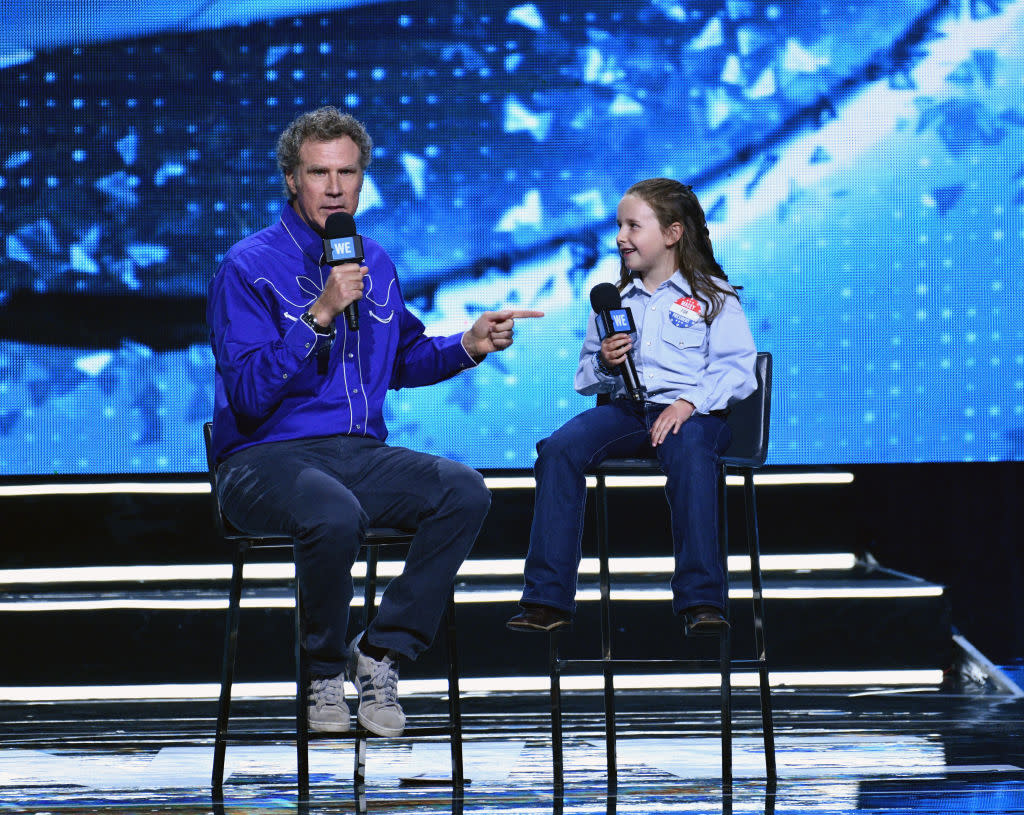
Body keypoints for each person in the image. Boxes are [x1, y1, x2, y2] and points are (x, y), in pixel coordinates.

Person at [207, 107, 542, 737]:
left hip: (357, 454)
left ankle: (383, 651)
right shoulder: (247, 267)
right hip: (262, 459)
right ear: (291, 180)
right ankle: (323, 674)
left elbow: (404, 357)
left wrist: (469, 344)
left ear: (363, 181)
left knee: (462, 490)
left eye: (347, 173)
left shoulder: (373, 264)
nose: (333, 187)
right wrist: (318, 317)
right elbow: (249, 394)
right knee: (332, 513)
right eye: (318, 172)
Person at [506, 178, 756, 637]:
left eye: (633, 226)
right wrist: (604, 361)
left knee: (689, 451)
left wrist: (688, 402)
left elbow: (739, 370)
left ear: (673, 233)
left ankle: (701, 599)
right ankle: (547, 598)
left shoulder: (713, 295)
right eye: (619, 226)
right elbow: (584, 379)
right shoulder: (614, 302)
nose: (621, 236)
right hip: (628, 410)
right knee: (558, 448)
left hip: (693, 415)